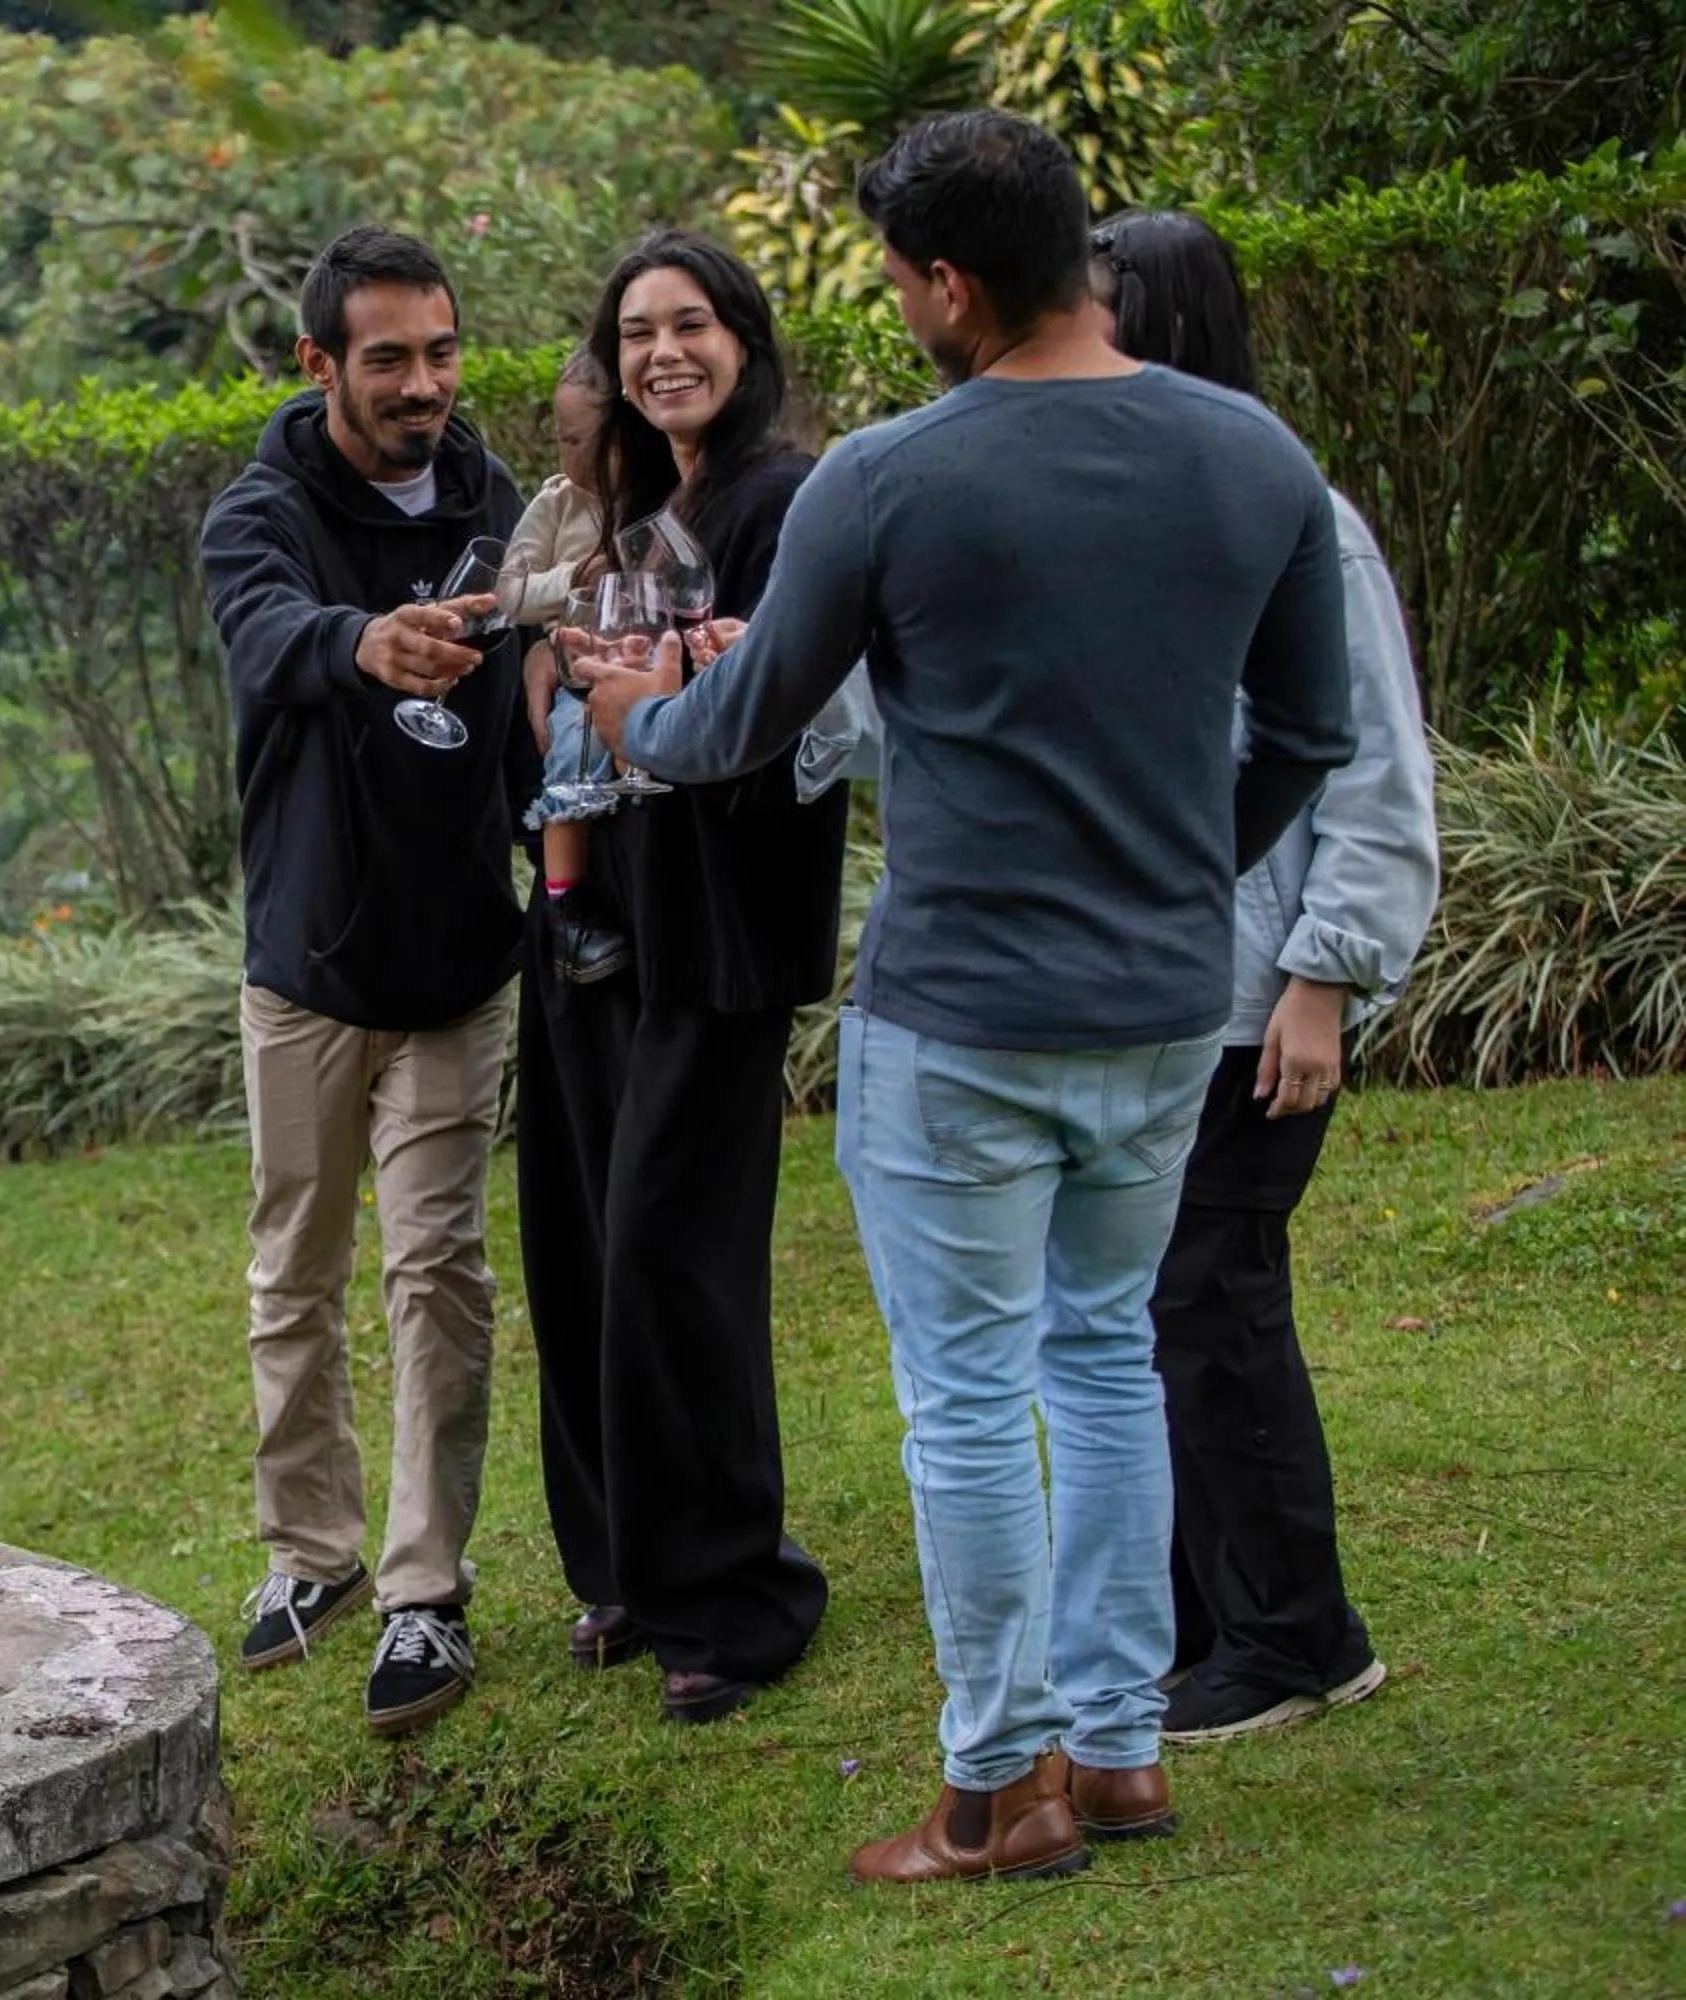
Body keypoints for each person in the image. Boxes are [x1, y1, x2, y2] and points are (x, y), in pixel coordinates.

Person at [581, 111, 1356, 1883]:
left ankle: (998, 1791)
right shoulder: (1256, 461)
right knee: (1102, 1360)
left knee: (968, 1394)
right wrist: (1185, 873)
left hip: (961, 1019)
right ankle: (1125, 1752)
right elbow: (1311, 733)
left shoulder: (889, 475)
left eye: (901, 285)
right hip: (1168, 1004)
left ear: (944, 282)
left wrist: (631, 720)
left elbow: (741, 722)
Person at [1088, 207, 1440, 1744]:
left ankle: (1299, 1636)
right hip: (1149, 987)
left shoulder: (1298, 516)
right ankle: (1204, 1621)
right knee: (1157, 1307)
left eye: (1100, 314)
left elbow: (1373, 770)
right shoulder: (1126, 510)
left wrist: (1326, 976)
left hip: (1257, 995)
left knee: (1213, 1299)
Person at [196, 224, 530, 1738]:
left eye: (441, 353)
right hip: (309, 977)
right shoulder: (259, 515)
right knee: (295, 1274)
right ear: (319, 363)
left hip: (460, 967)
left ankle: (422, 1594)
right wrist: (363, 641)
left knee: (439, 1274)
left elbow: (532, 698)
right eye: (388, 357)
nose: (423, 386)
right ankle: (309, 1552)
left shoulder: (494, 500)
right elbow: (272, 637)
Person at [514, 229, 848, 1727]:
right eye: (639, 331)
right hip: (601, 918)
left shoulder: (790, 500)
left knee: (674, 1253)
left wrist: (670, 687)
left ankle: (742, 1594)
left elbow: (803, 707)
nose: (665, 354)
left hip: (720, 917)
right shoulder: (640, 503)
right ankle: (634, 1573)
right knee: (584, 1241)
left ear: (745, 339)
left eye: (692, 326)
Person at [506, 349, 627, 985]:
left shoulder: (648, 501)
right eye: (563, 439)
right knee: (572, 766)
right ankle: (565, 912)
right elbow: (508, 592)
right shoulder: (558, 504)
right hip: (579, 682)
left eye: (581, 439)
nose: (569, 455)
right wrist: (571, 579)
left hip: (638, 682)